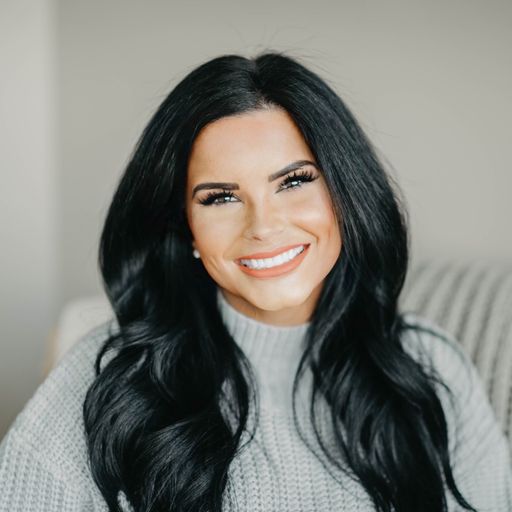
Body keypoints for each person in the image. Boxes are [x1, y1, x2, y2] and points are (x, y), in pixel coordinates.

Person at [1, 51, 511, 512]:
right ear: (186, 227)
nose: (263, 227)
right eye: (221, 197)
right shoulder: (111, 378)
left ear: (346, 193)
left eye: (294, 181)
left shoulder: (430, 367)